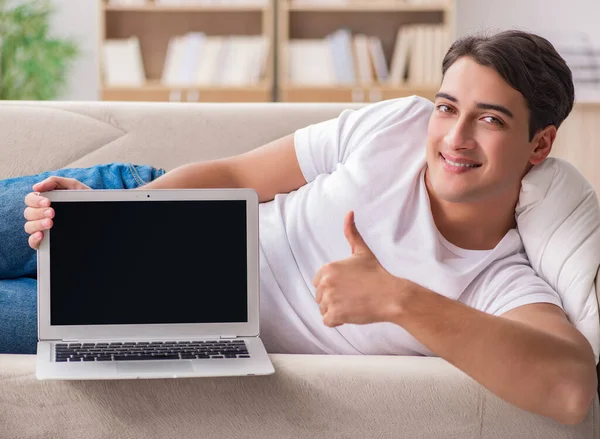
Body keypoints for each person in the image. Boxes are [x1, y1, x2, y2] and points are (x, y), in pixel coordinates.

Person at [5, 30, 597, 424]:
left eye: (489, 119)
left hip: (165, 309)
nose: (454, 137)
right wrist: (117, 214)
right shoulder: (397, 126)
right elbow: (240, 172)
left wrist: (396, 299)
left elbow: (571, 389)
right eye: (448, 107)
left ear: (539, 144)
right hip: (147, 206)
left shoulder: (495, 280)